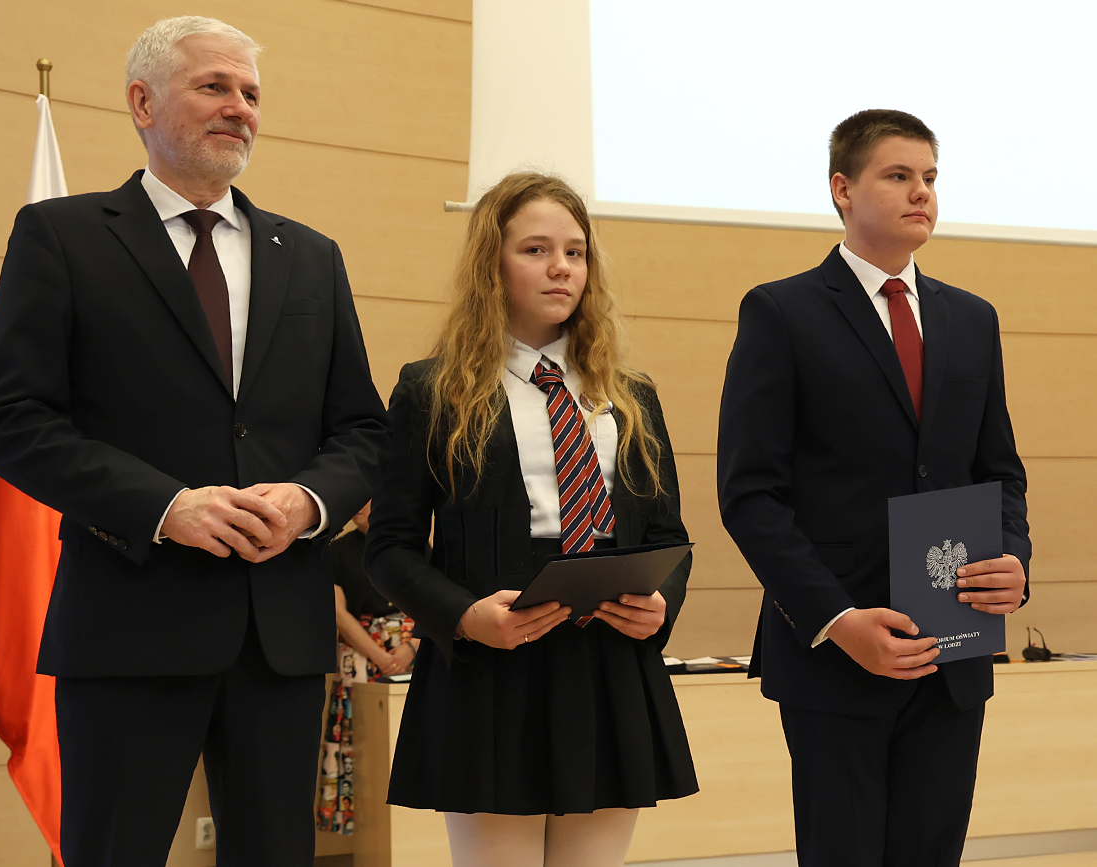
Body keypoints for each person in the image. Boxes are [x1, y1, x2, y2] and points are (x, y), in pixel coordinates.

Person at [0, 16, 387, 867]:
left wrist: (308, 501)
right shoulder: (62, 237)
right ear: (142, 102)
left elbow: (363, 430)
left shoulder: (312, 257)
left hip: (280, 632)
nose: (240, 108)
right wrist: (166, 506)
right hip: (129, 623)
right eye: (214, 87)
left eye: (251, 93)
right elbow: (9, 420)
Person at [716, 109, 1030, 867]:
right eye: (898, 175)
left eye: (930, 177)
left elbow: (999, 471)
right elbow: (751, 495)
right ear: (842, 189)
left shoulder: (972, 319)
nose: (921, 192)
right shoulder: (781, 311)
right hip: (837, 657)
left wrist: (1013, 560)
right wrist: (837, 619)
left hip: (953, 651)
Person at [365, 172, 698, 867]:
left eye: (575, 252)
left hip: (609, 665)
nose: (561, 268)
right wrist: (463, 617)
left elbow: (668, 536)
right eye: (536, 250)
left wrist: (660, 604)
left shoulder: (630, 395)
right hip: (491, 670)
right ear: (492, 263)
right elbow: (391, 548)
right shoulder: (433, 390)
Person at [317, 500, 417, 834]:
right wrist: (380, 656)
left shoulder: (411, 544)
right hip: (361, 652)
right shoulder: (336, 550)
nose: (356, 507)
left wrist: (410, 647)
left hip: (411, 646)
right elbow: (337, 612)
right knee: (360, 743)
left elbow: (430, 602)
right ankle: (367, 829)